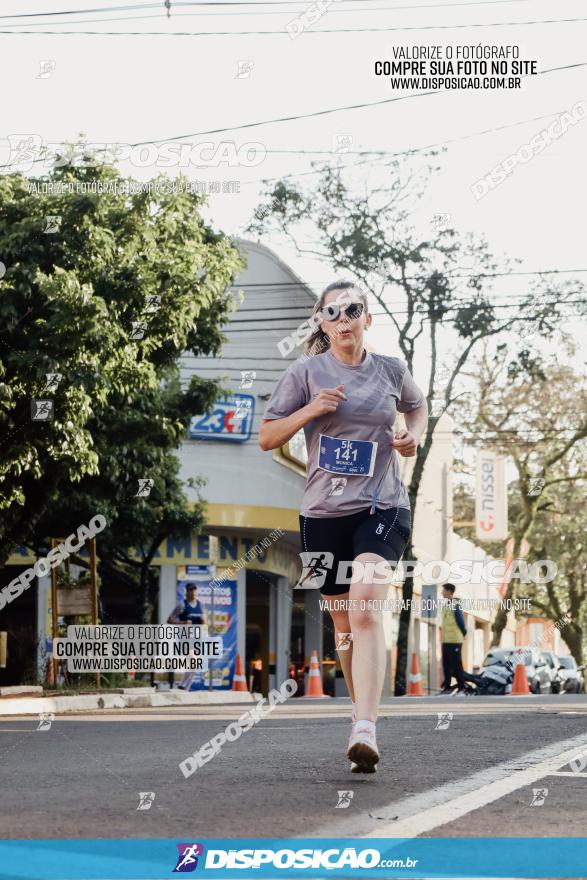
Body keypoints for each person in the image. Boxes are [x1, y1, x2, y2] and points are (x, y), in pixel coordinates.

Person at [259, 280, 428, 772]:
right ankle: (360, 714)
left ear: (367, 319)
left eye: (353, 309)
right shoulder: (305, 372)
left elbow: (417, 406)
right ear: (323, 324)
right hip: (323, 515)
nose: (343, 318)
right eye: (332, 311)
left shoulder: (391, 370)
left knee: (365, 607)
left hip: (382, 507)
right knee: (341, 622)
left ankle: (366, 729)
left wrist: (411, 436)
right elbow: (268, 436)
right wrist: (313, 409)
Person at [167, 583, 208, 688]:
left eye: (195, 590)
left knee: (194, 665)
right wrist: (183, 623)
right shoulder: (182, 605)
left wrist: (204, 621)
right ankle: (182, 686)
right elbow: (169, 620)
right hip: (185, 638)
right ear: (187, 593)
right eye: (191, 590)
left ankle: (184, 687)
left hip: (197, 639)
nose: (193, 592)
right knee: (193, 660)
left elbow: (204, 622)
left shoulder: (200, 605)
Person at [440, 582, 467, 694]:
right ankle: (447, 686)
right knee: (446, 664)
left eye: (444, 590)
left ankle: (461, 686)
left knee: (456, 664)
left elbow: (460, 621)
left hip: (455, 640)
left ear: (449, 592)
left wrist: (464, 633)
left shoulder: (456, 604)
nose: (442, 592)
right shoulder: (446, 605)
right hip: (446, 640)